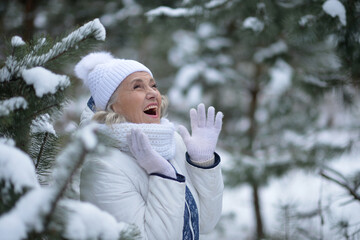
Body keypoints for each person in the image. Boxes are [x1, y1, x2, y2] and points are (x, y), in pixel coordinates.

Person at [75, 52, 224, 240]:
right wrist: (163, 175)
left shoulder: (171, 143)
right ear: (112, 106)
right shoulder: (102, 166)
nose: (153, 93)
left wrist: (202, 164)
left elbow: (206, 223)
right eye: (137, 86)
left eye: (154, 85)